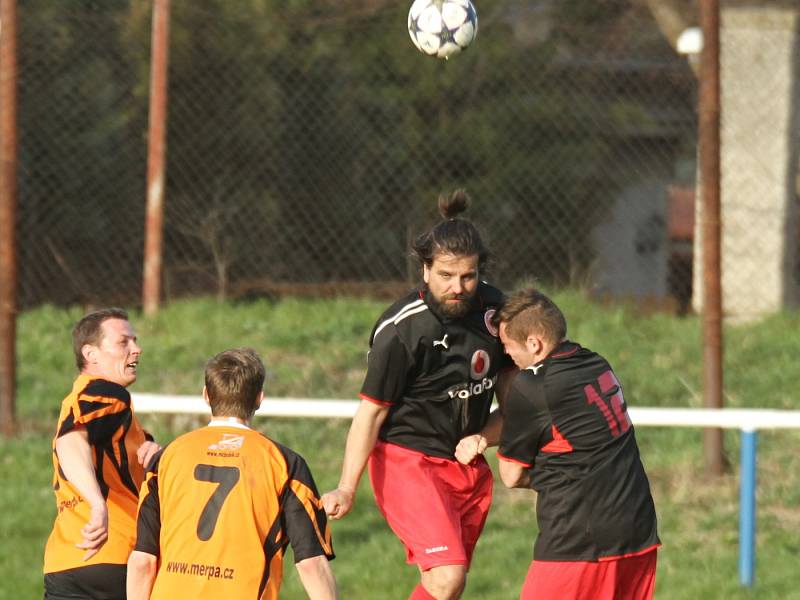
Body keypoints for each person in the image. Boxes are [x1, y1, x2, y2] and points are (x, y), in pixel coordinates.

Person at [322, 190, 514, 600]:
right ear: (425, 270)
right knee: (448, 577)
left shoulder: (498, 313)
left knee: (443, 586)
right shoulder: (402, 330)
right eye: (446, 275)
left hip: (465, 466)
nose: (458, 287)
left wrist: (486, 437)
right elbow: (371, 413)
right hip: (408, 461)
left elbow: (519, 401)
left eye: (468, 276)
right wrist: (346, 487)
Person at [126, 348, 338, 600]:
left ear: (206, 395)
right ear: (259, 398)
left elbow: (143, 561)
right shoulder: (284, 463)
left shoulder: (167, 459)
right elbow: (310, 563)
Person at [494, 288, 660, 600]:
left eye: (508, 346)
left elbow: (511, 474)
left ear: (534, 342)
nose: (508, 356)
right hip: (638, 532)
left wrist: (549, 478)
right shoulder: (596, 363)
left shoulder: (533, 385)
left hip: (581, 540)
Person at [44, 308, 161, 600]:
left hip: (66, 561)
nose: (136, 349)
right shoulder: (107, 394)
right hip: (116, 555)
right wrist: (98, 505)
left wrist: (153, 455)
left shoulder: (77, 400)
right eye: (124, 342)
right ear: (91, 354)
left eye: (135, 340)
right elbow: (69, 443)